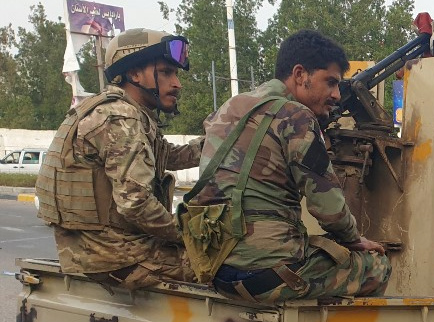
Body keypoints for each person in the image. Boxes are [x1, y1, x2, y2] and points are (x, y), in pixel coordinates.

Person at [185, 29, 390, 304]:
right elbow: (328, 208)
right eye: (330, 82)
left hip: (217, 269)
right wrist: (354, 239)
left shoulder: (230, 108)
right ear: (299, 74)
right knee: (376, 267)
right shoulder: (295, 116)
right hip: (266, 274)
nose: (336, 95)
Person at [35, 28, 201, 289]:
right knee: (216, 263)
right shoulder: (121, 118)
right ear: (134, 73)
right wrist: (188, 235)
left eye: (176, 74)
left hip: (99, 250)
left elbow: (165, 155)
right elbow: (135, 204)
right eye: (166, 72)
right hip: (114, 256)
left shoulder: (120, 110)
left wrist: (218, 143)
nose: (177, 83)